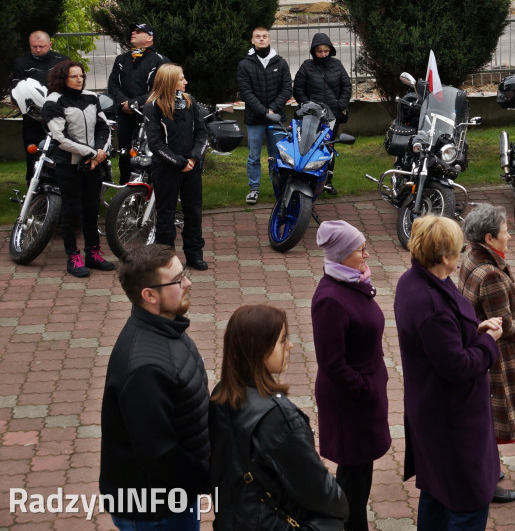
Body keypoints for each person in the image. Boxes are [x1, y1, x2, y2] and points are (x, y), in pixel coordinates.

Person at [394, 215, 503, 531]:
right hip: (452, 421)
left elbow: (441, 343)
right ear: (444, 257)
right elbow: (456, 366)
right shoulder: (432, 305)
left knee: (437, 493)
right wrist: (487, 343)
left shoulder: (414, 281)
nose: (463, 255)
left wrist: (471, 332)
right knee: (468, 501)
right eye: (460, 250)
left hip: (432, 413)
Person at [210, 304, 349, 531]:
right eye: (283, 340)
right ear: (260, 349)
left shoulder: (222, 393)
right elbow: (321, 492)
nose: (290, 345)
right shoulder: (277, 417)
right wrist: (341, 511)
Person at [100, 244, 209, 530]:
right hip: (155, 511)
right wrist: (213, 477)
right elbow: (160, 454)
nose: (188, 282)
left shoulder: (167, 328)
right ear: (149, 295)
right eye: (177, 280)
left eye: (183, 273)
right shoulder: (145, 369)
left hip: (177, 494)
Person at [311, 221, 390, 531]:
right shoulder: (331, 298)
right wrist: (364, 389)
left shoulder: (352, 282)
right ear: (342, 255)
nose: (367, 254)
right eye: (360, 250)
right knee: (352, 485)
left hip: (362, 400)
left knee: (357, 479)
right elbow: (331, 362)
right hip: (350, 405)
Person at [458, 204, 515, 505]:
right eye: (505, 232)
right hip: (495, 357)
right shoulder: (489, 273)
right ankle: (484, 481)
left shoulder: (473, 257)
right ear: (489, 238)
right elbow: (502, 324)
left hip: (482, 349)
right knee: (488, 420)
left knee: (484, 417)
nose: (510, 237)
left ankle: (488, 469)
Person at [41, 60, 115, 278]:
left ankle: (93, 253)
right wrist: (92, 153)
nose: (79, 79)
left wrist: (100, 152)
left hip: (93, 164)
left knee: (92, 209)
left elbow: (104, 127)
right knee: (72, 211)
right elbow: (60, 138)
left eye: (81, 75)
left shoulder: (91, 97)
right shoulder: (53, 101)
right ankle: (73, 257)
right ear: (62, 78)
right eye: (74, 76)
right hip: (69, 165)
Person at [143, 64, 209, 271]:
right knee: (166, 214)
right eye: (181, 79)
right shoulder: (153, 106)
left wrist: (194, 158)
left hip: (191, 167)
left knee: (193, 211)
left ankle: (194, 254)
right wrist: (178, 162)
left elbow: (201, 132)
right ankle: (166, 258)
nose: (185, 82)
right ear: (170, 81)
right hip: (166, 168)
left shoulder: (190, 102)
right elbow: (155, 143)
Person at [108, 23, 170, 184]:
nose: (133, 32)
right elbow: (113, 85)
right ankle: (124, 188)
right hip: (124, 113)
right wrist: (124, 102)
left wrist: (135, 103)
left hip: (149, 114)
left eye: (139, 31)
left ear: (150, 38)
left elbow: (160, 89)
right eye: (133, 30)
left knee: (148, 153)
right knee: (125, 152)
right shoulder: (122, 59)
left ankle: (149, 189)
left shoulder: (160, 61)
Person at [237, 26, 291, 205]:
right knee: (253, 156)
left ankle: (280, 189)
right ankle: (254, 189)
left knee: (278, 156)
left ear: (269, 39)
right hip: (254, 119)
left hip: (276, 118)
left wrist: (272, 109)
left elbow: (286, 90)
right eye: (257, 36)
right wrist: (263, 111)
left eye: (264, 36)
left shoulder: (280, 63)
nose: (261, 39)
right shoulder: (245, 64)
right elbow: (245, 92)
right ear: (252, 40)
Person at [293, 32, 352, 194]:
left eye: (326, 51)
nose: (323, 54)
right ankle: (308, 178)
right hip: (312, 115)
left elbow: (346, 87)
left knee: (328, 147)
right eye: (320, 51)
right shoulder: (307, 66)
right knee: (309, 146)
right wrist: (308, 105)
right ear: (314, 51)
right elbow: (298, 89)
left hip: (332, 115)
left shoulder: (337, 65)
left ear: (330, 50)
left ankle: (327, 181)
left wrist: (340, 105)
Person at [9, 31, 68, 183]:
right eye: (34, 47)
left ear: (50, 44)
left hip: (59, 117)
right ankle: (33, 192)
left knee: (60, 154)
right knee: (33, 155)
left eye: (41, 46)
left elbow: (71, 88)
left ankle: (60, 190)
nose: (38, 50)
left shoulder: (63, 61)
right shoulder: (21, 63)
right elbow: (16, 91)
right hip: (33, 119)